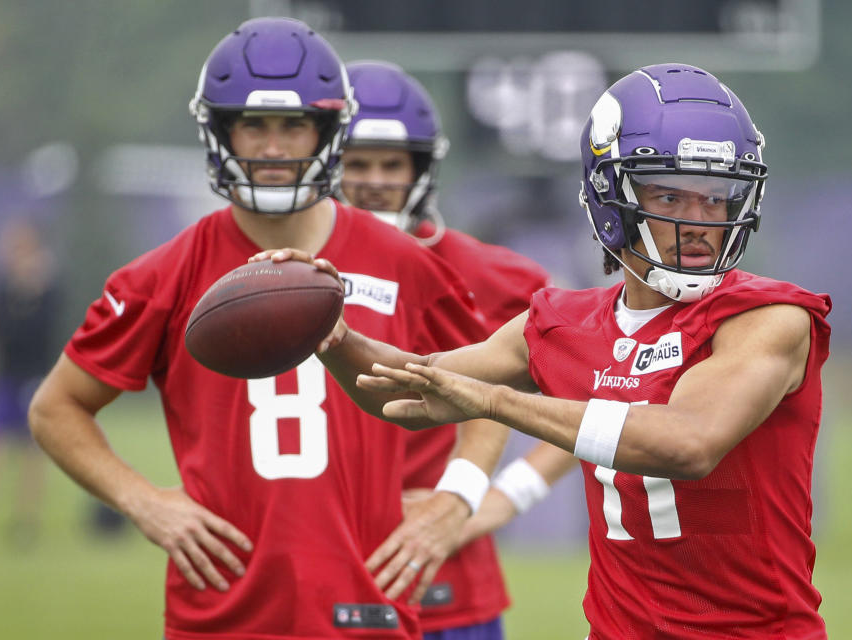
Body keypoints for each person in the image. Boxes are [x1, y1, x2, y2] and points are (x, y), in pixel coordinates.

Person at [254, 63, 833, 638]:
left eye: (717, 197)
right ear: (611, 196)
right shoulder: (564, 322)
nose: (701, 221)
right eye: (671, 196)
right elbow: (407, 387)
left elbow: (687, 443)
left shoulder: (767, 318)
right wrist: (332, 333)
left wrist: (497, 403)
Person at [27, 17, 503, 640]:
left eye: (293, 124)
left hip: (367, 608)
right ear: (221, 131)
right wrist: (144, 501)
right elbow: (56, 408)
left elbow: (490, 392)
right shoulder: (164, 274)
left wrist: (456, 499)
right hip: (221, 610)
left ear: (327, 130)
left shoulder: (403, 262)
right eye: (253, 125)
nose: (273, 147)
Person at [338, 60, 552, 639]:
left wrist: (501, 497)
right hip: (314, 568)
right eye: (356, 163)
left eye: (392, 163)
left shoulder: (490, 273)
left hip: (445, 578)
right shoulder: (289, 275)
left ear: (422, 168)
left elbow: (600, 393)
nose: (375, 179)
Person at [0, 218, 62, 547]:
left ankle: (25, 519)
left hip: (36, 376)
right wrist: (19, 291)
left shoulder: (49, 288)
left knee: (34, 451)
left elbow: (45, 331)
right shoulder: (2, 287)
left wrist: (33, 292)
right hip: (4, 377)